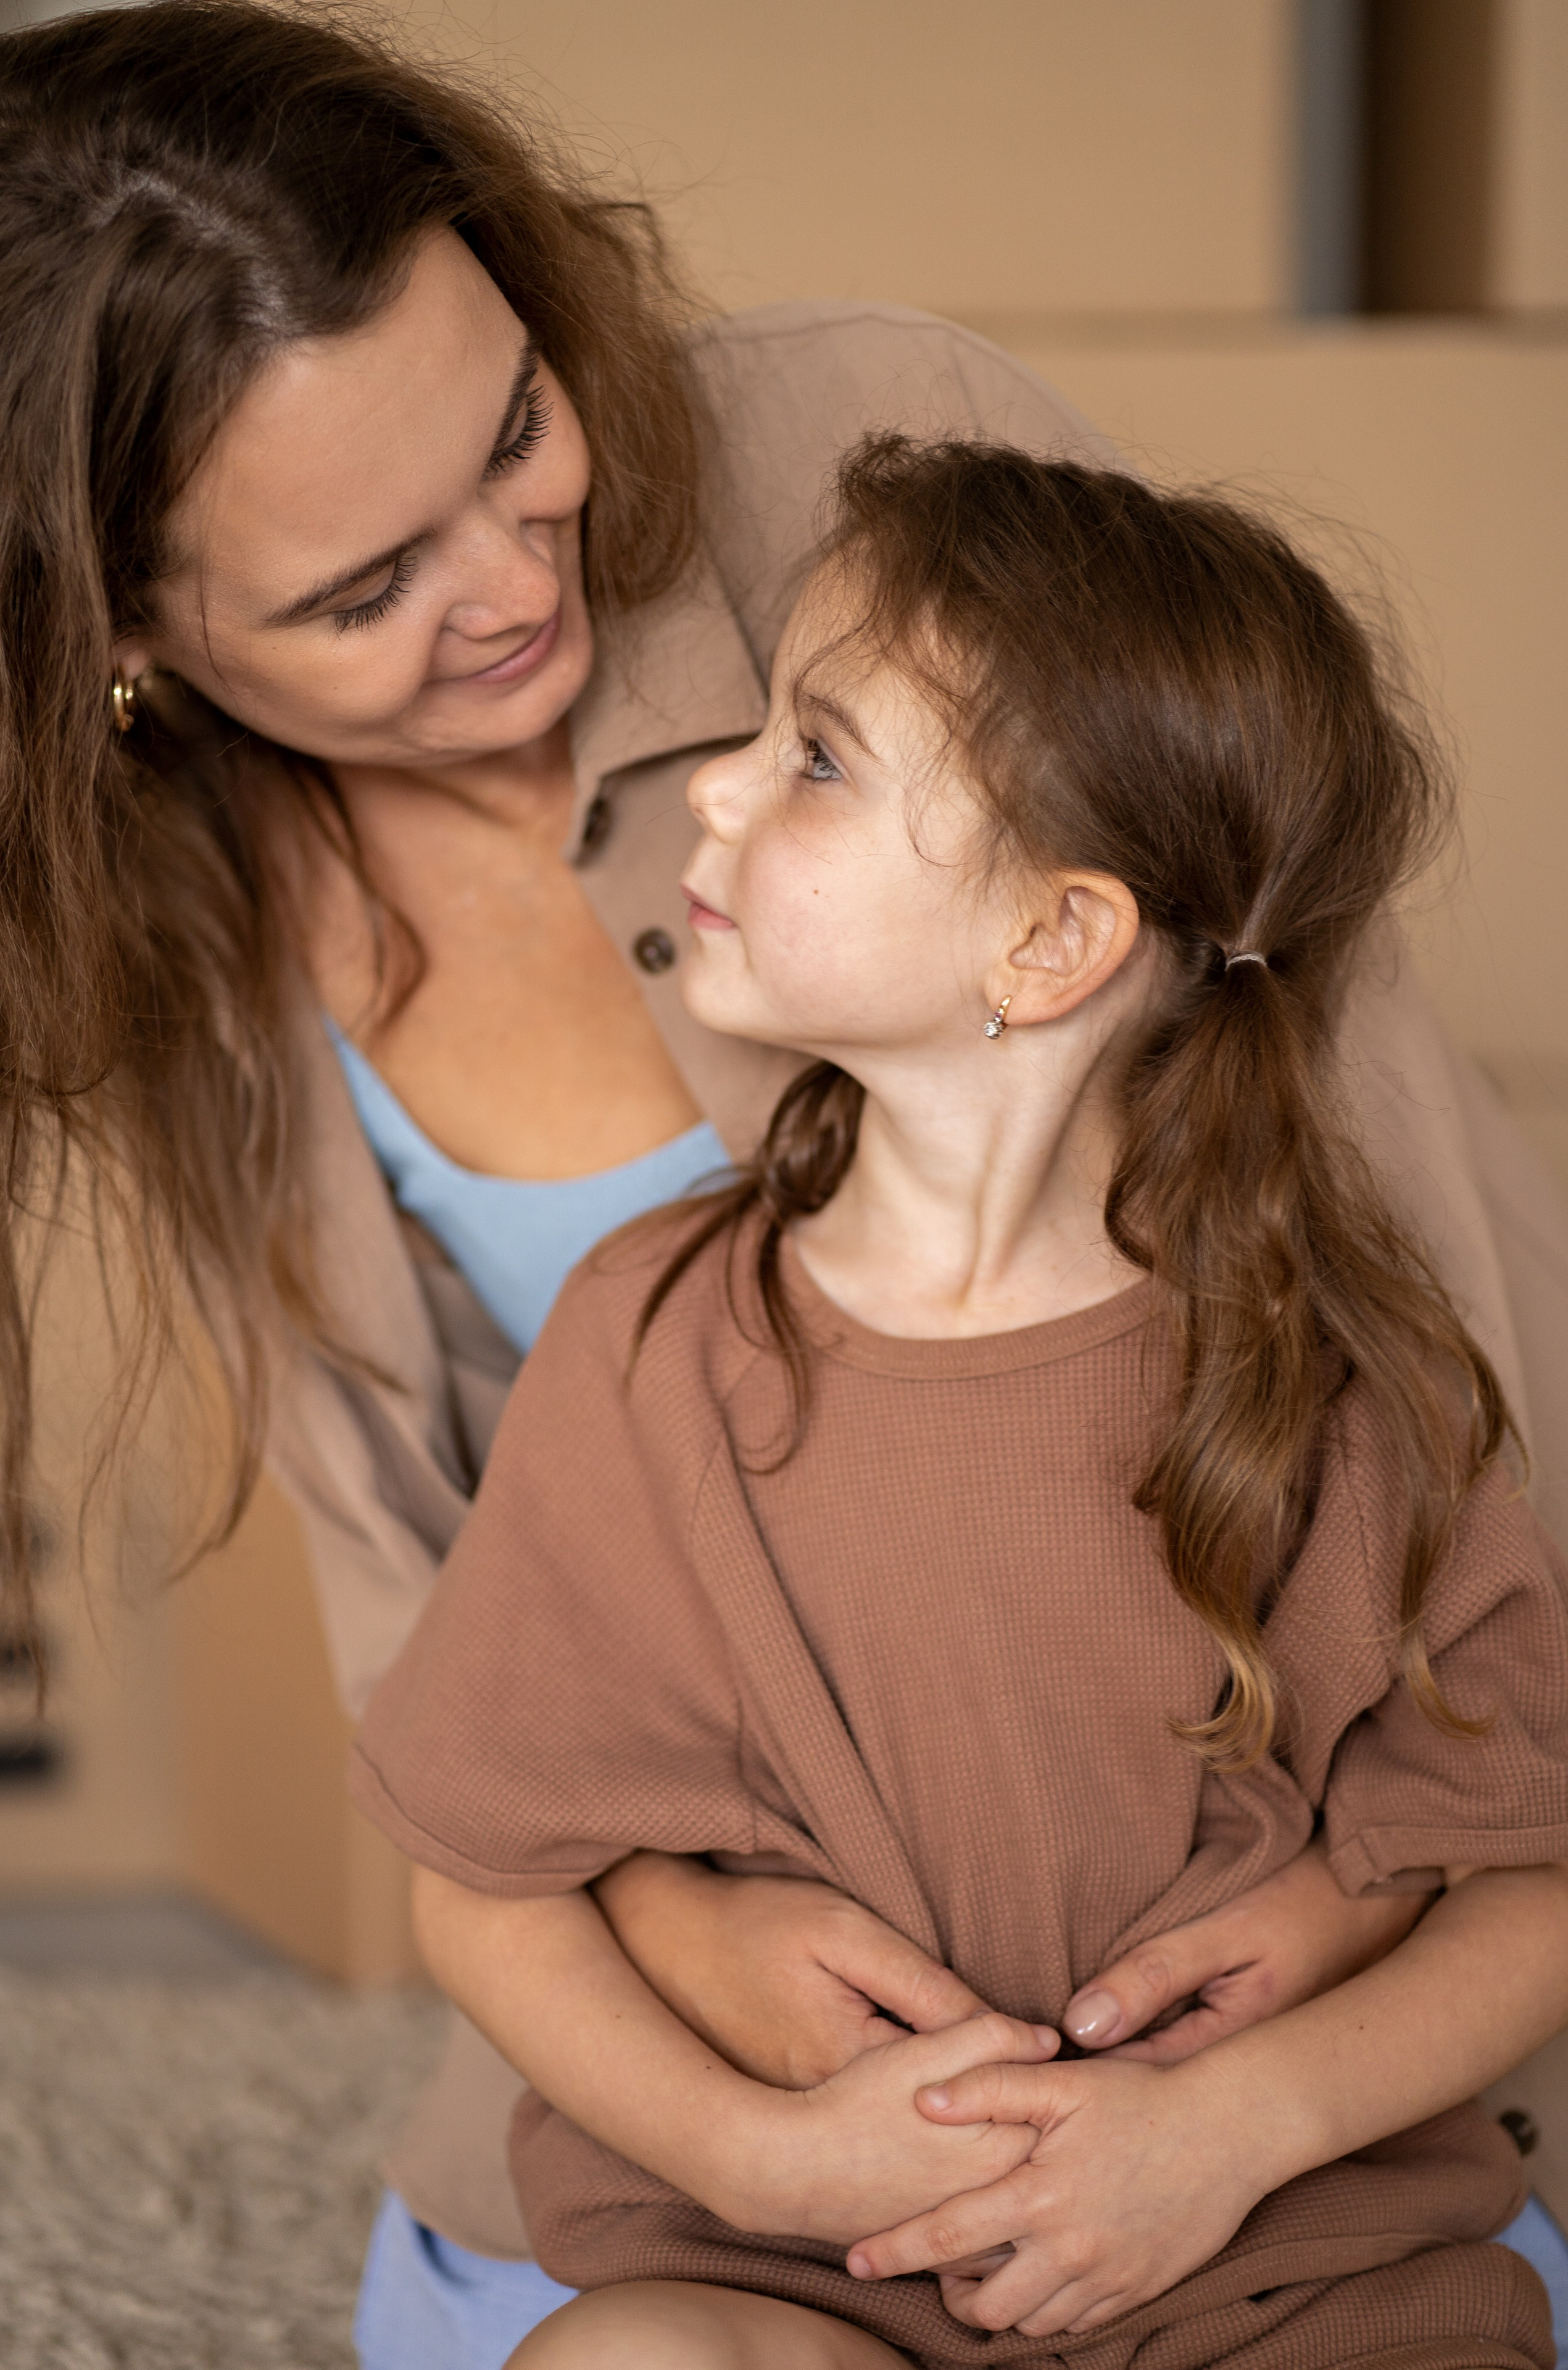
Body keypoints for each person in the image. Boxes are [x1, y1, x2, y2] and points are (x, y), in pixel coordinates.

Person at [0, 3, 1565, 2361]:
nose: (520, 581)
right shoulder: (166, 930)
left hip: (1285, 2041)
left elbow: (1382, 1208)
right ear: (119, 643)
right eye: (358, 591)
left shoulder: (877, 473)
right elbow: (444, 1696)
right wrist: (708, 2006)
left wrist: (1359, 1933)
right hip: (730, 2052)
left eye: (518, 424)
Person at [353, 438, 1568, 2369]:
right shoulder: (643, 1338)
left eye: (817, 756)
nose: (723, 786)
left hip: (1271, 2266)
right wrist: (758, 2167)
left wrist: (1236, 2128)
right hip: (804, 2276)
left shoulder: (1343, 1369)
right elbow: (490, 1899)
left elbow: (1527, 1888)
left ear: (1050, 942)